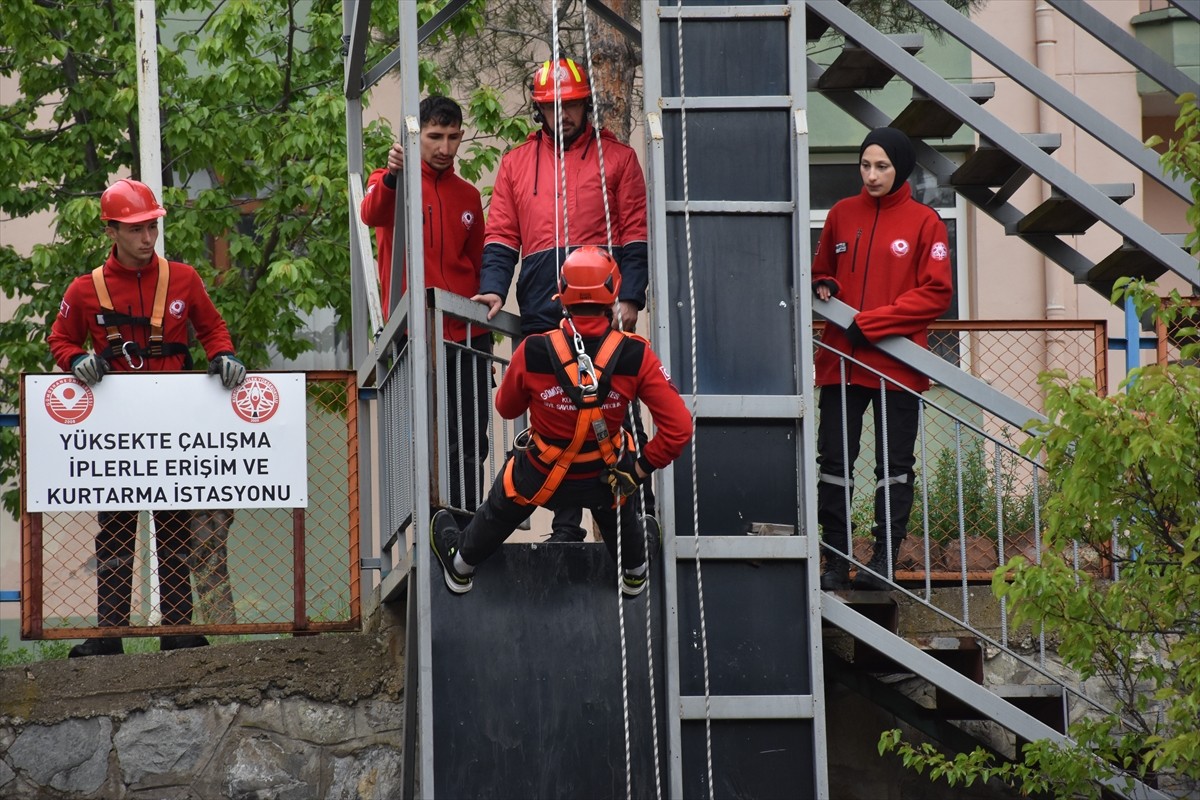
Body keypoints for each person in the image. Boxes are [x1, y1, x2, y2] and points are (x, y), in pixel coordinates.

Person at [48, 178, 247, 657]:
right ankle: (107, 636)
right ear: (112, 230)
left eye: (151, 227)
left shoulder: (183, 279)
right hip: (115, 429)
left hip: (173, 423)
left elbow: (213, 328)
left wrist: (223, 356)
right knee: (115, 531)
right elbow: (60, 339)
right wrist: (76, 361)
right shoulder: (85, 289)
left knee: (174, 526)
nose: (147, 237)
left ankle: (177, 630)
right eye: (136, 229)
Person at [431, 247, 692, 596]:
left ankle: (462, 563)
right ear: (613, 291)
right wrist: (640, 469)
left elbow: (506, 409)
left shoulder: (534, 350)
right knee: (619, 484)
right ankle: (634, 569)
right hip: (604, 476)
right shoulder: (636, 353)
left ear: (562, 295)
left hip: (539, 474)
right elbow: (679, 428)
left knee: (509, 491)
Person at [473, 56, 650, 542]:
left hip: (602, 304)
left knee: (616, 405)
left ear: (584, 103)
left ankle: (635, 519)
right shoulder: (515, 162)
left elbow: (636, 235)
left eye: (570, 105)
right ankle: (566, 525)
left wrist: (631, 295)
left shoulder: (617, 158)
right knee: (552, 413)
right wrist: (493, 285)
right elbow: (502, 236)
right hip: (541, 301)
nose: (563, 115)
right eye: (553, 107)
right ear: (539, 110)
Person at [812, 127, 953, 591]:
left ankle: (882, 561)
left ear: (901, 169)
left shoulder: (924, 222)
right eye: (865, 165)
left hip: (897, 364)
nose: (871, 175)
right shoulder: (840, 213)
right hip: (840, 362)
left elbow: (936, 293)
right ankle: (835, 559)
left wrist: (874, 322)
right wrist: (824, 285)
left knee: (893, 467)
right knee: (834, 462)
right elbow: (820, 271)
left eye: (882, 167)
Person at [360, 95, 489, 517]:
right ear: (415, 138)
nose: (445, 148)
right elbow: (371, 212)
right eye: (434, 137)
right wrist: (394, 176)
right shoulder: (389, 180)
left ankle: (467, 519)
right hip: (414, 331)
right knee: (424, 434)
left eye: (453, 137)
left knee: (471, 436)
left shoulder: (468, 195)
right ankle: (432, 521)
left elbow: (479, 261)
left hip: (468, 332)